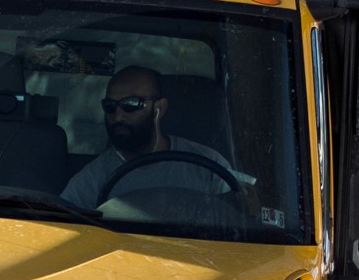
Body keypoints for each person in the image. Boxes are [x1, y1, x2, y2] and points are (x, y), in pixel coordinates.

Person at [65, 64, 238, 207]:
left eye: (131, 104)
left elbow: (232, 220)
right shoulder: (95, 176)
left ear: (159, 108)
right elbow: (64, 221)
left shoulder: (209, 166)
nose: (118, 117)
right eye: (110, 106)